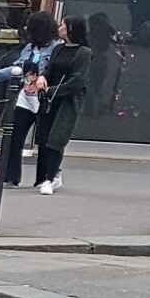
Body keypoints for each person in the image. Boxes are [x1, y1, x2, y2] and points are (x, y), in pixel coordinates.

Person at [0, 12, 59, 189]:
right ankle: (10, 177)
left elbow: (54, 70)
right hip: (25, 96)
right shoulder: (29, 48)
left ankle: (44, 178)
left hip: (43, 97)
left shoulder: (56, 48)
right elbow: (17, 68)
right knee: (13, 136)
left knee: (43, 139)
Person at [31, 17, 92, 195]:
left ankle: (50, 178)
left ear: (71, 28)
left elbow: (78, 80)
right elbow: (50, 68)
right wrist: (42, 77)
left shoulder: (84, 53)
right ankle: (48, 176)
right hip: (50, 99)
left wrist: (52, 90)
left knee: (57, 138)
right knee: (44, 136)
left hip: (67, 100)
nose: (60, 28)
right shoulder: (58, 48)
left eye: (63, 25)